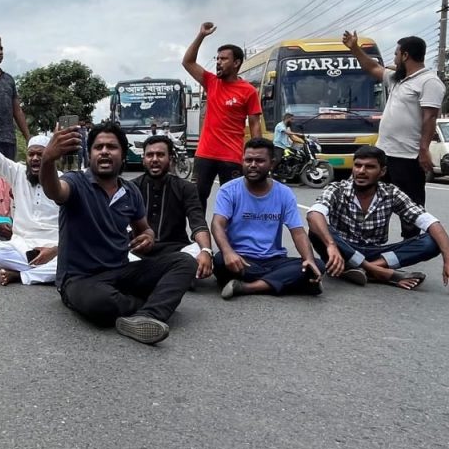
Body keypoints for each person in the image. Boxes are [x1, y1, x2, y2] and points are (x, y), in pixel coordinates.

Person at [40, 121, 198, 345]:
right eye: (98, 147)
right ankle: (155, 305)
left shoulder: (130, 191)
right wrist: (48, 158)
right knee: (101, 303)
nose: (104, 151)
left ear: (123, 155)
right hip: (80, 280)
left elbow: (144, 230)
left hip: (120, 273)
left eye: (111, 147)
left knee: (185, 262)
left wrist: (148, 237)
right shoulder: (75, 183)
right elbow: (53, 190)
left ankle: (146, 316)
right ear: (90, 154)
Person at [306, 145, 449, 292]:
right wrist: (332, 245)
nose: (361, 171)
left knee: (432, 242)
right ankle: (376, 272)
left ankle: (366, 270)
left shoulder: (391, 193)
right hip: (341, 251)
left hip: (377, 254)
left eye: (369, 167)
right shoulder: (337, 188)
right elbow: (314, 214)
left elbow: (430, 222)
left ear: (382, 171)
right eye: (358, 165)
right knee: (316, 229)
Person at [342, 31, 444, 238]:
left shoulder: (428, 82)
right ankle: (371, 242)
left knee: (411, 207)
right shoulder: (397, 79)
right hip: (383, 154)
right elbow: (371, 67)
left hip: (407, 157)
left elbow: (429, 118)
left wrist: (423, 150)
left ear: (405, 55)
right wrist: (354, 48)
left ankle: (411, 245)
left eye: (396, 54)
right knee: (372, 200)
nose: (394, 59)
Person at [210, 138, 324, 299]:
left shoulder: (284, 193)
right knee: (220, 260)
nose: (253, 165)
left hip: (273, 259)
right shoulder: (228, 190)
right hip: (240, 258)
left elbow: (298, 232)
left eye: (260, 160)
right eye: (248, 160)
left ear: (272, 163)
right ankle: (290, 282)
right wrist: (228, 252)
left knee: (316, 264)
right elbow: (217, 224)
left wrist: (308, 259)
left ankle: (247, 287)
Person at [0, 96, 60, 286]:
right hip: (22, 246)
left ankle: (21, 275)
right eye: (32, 154)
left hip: (54, 247)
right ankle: (44, 273)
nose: (36, 158)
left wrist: (55, 251)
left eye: (41, 154)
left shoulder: (63, 180)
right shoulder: (18, 173)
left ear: (51, 156)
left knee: (74, 259)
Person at [181, 21, 263, 212]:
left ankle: (231, 239)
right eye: (217, 58)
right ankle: (200, 239)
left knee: (234, 203)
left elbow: (255, 125)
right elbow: (187, 62)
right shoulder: (211, 82)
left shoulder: (248, 91)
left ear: (236, 63)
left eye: (224, 59)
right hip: (204, 154)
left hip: (232, 157)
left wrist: (257, 156)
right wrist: (201, 35)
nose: (218, 62)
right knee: (196, 199)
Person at [130, 136, 213, 279]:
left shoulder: (186, 188)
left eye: (160, 155)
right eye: (150, 155)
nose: (154, 159)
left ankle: (151, 274)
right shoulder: (131, 188)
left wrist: (206, 251)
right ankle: (171, 275)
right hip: (139, 250)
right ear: (143, 160)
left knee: (200, 253)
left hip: (176, 249)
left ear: (171, 158)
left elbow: (198, 223)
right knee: (116, 255)